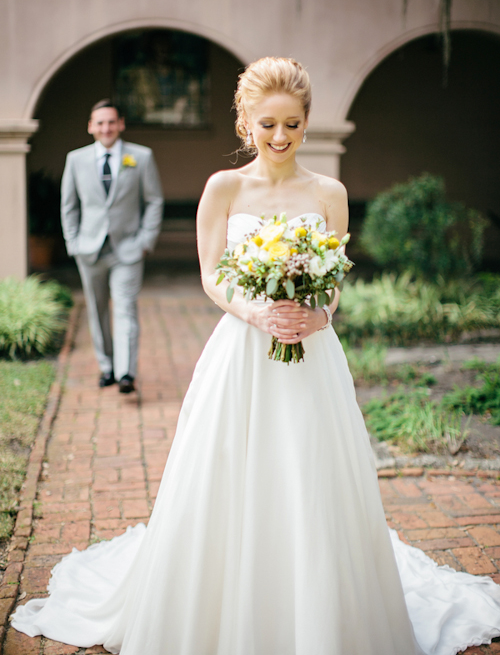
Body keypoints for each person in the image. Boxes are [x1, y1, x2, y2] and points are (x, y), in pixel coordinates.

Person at [12, 59, 500, 654]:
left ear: (306, 123)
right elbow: (212, 276)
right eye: (267, 124)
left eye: (292, 125)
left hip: (312, 356)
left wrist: (317, 315)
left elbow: (336, 284)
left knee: (309, 475)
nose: (279, 137)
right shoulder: (224, 188)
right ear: (245, 122)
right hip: (241, 353)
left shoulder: (329, 193)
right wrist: (256, 313)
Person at [60, 100, 164, 393]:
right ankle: (107, 367)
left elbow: (154, 200)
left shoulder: (141, 157)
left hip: (128, 250)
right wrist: (73, 243)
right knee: (97, 310)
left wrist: (145, 241)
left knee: (125, 309)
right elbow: (69, 205)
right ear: (91, 126)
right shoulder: (76, 160)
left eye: (111, 122)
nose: (106, 128)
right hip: (89, 250)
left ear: (121, 124)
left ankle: (126, 372)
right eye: (100, 123)